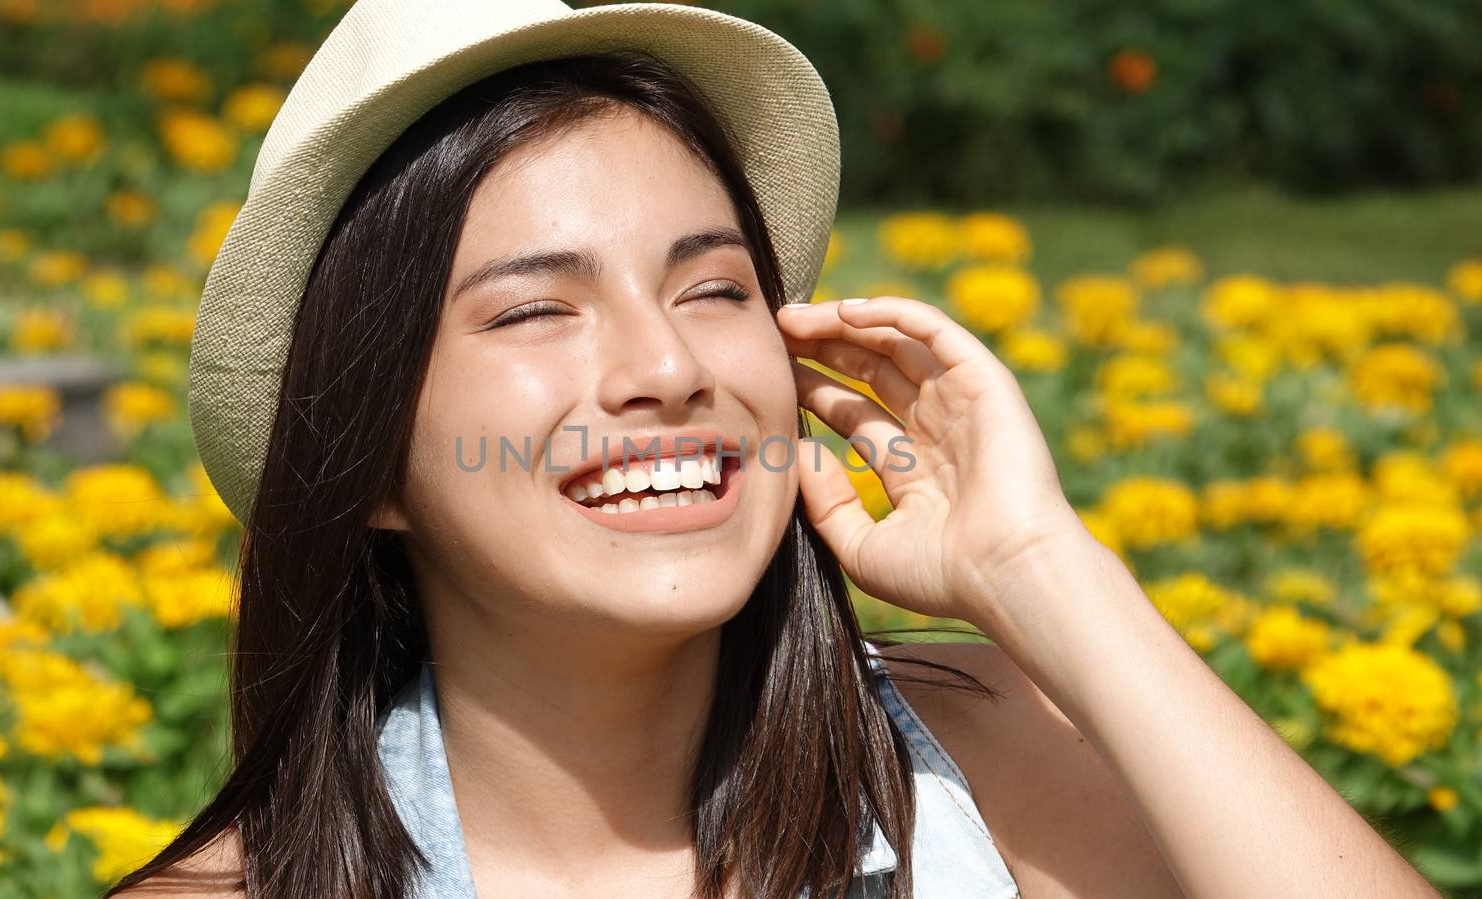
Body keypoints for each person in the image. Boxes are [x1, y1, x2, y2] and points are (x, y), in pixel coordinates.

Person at [111, 3, 1444, 898]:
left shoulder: (989, 773)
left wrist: (1048, 574)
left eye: (712, 288)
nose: (669, 370)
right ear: (372, 471)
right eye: (533, 310)